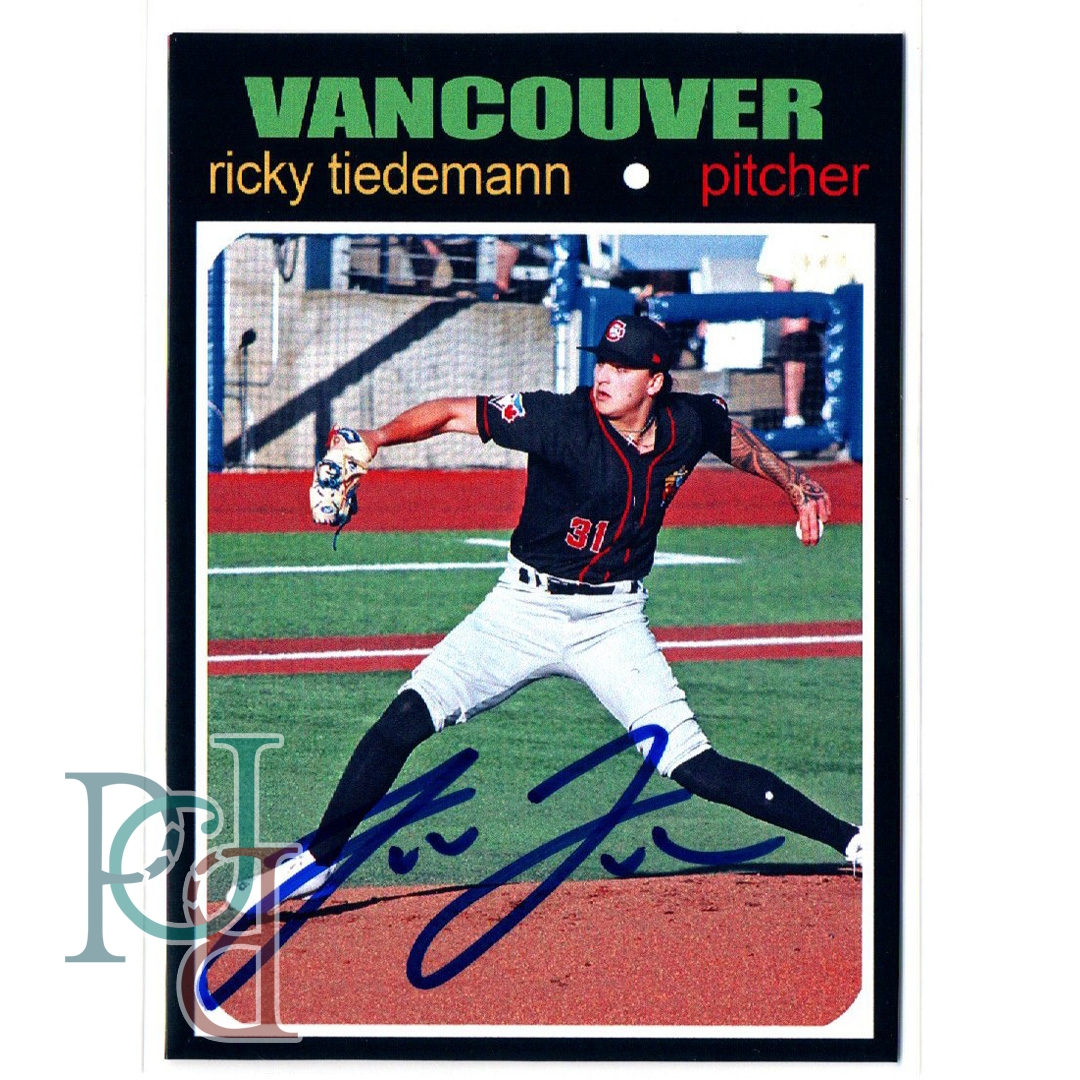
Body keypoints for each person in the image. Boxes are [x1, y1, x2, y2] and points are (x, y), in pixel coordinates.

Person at [259, 315, 864, 907]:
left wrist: (795, 483)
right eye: (602, 362)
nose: (604, 375)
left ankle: (854, 841)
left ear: (654, 382)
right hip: (520, 610)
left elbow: (726, 435)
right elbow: (451, 412)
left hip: (613, 623)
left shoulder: (685, 422)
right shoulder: (560, 418)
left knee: (694, 764)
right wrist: (377, 439)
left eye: (622, 367)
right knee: (404, 718)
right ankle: (318, 860)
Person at [756, 232, 863, 429]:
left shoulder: (853, 236)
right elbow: (782, 292)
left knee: (857, 330)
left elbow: (863, 284)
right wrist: (803, 312)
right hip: (797, 311)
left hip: (840, 312)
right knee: (794, 327)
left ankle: (841, 413)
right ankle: (793, 418)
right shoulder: (782, 237)